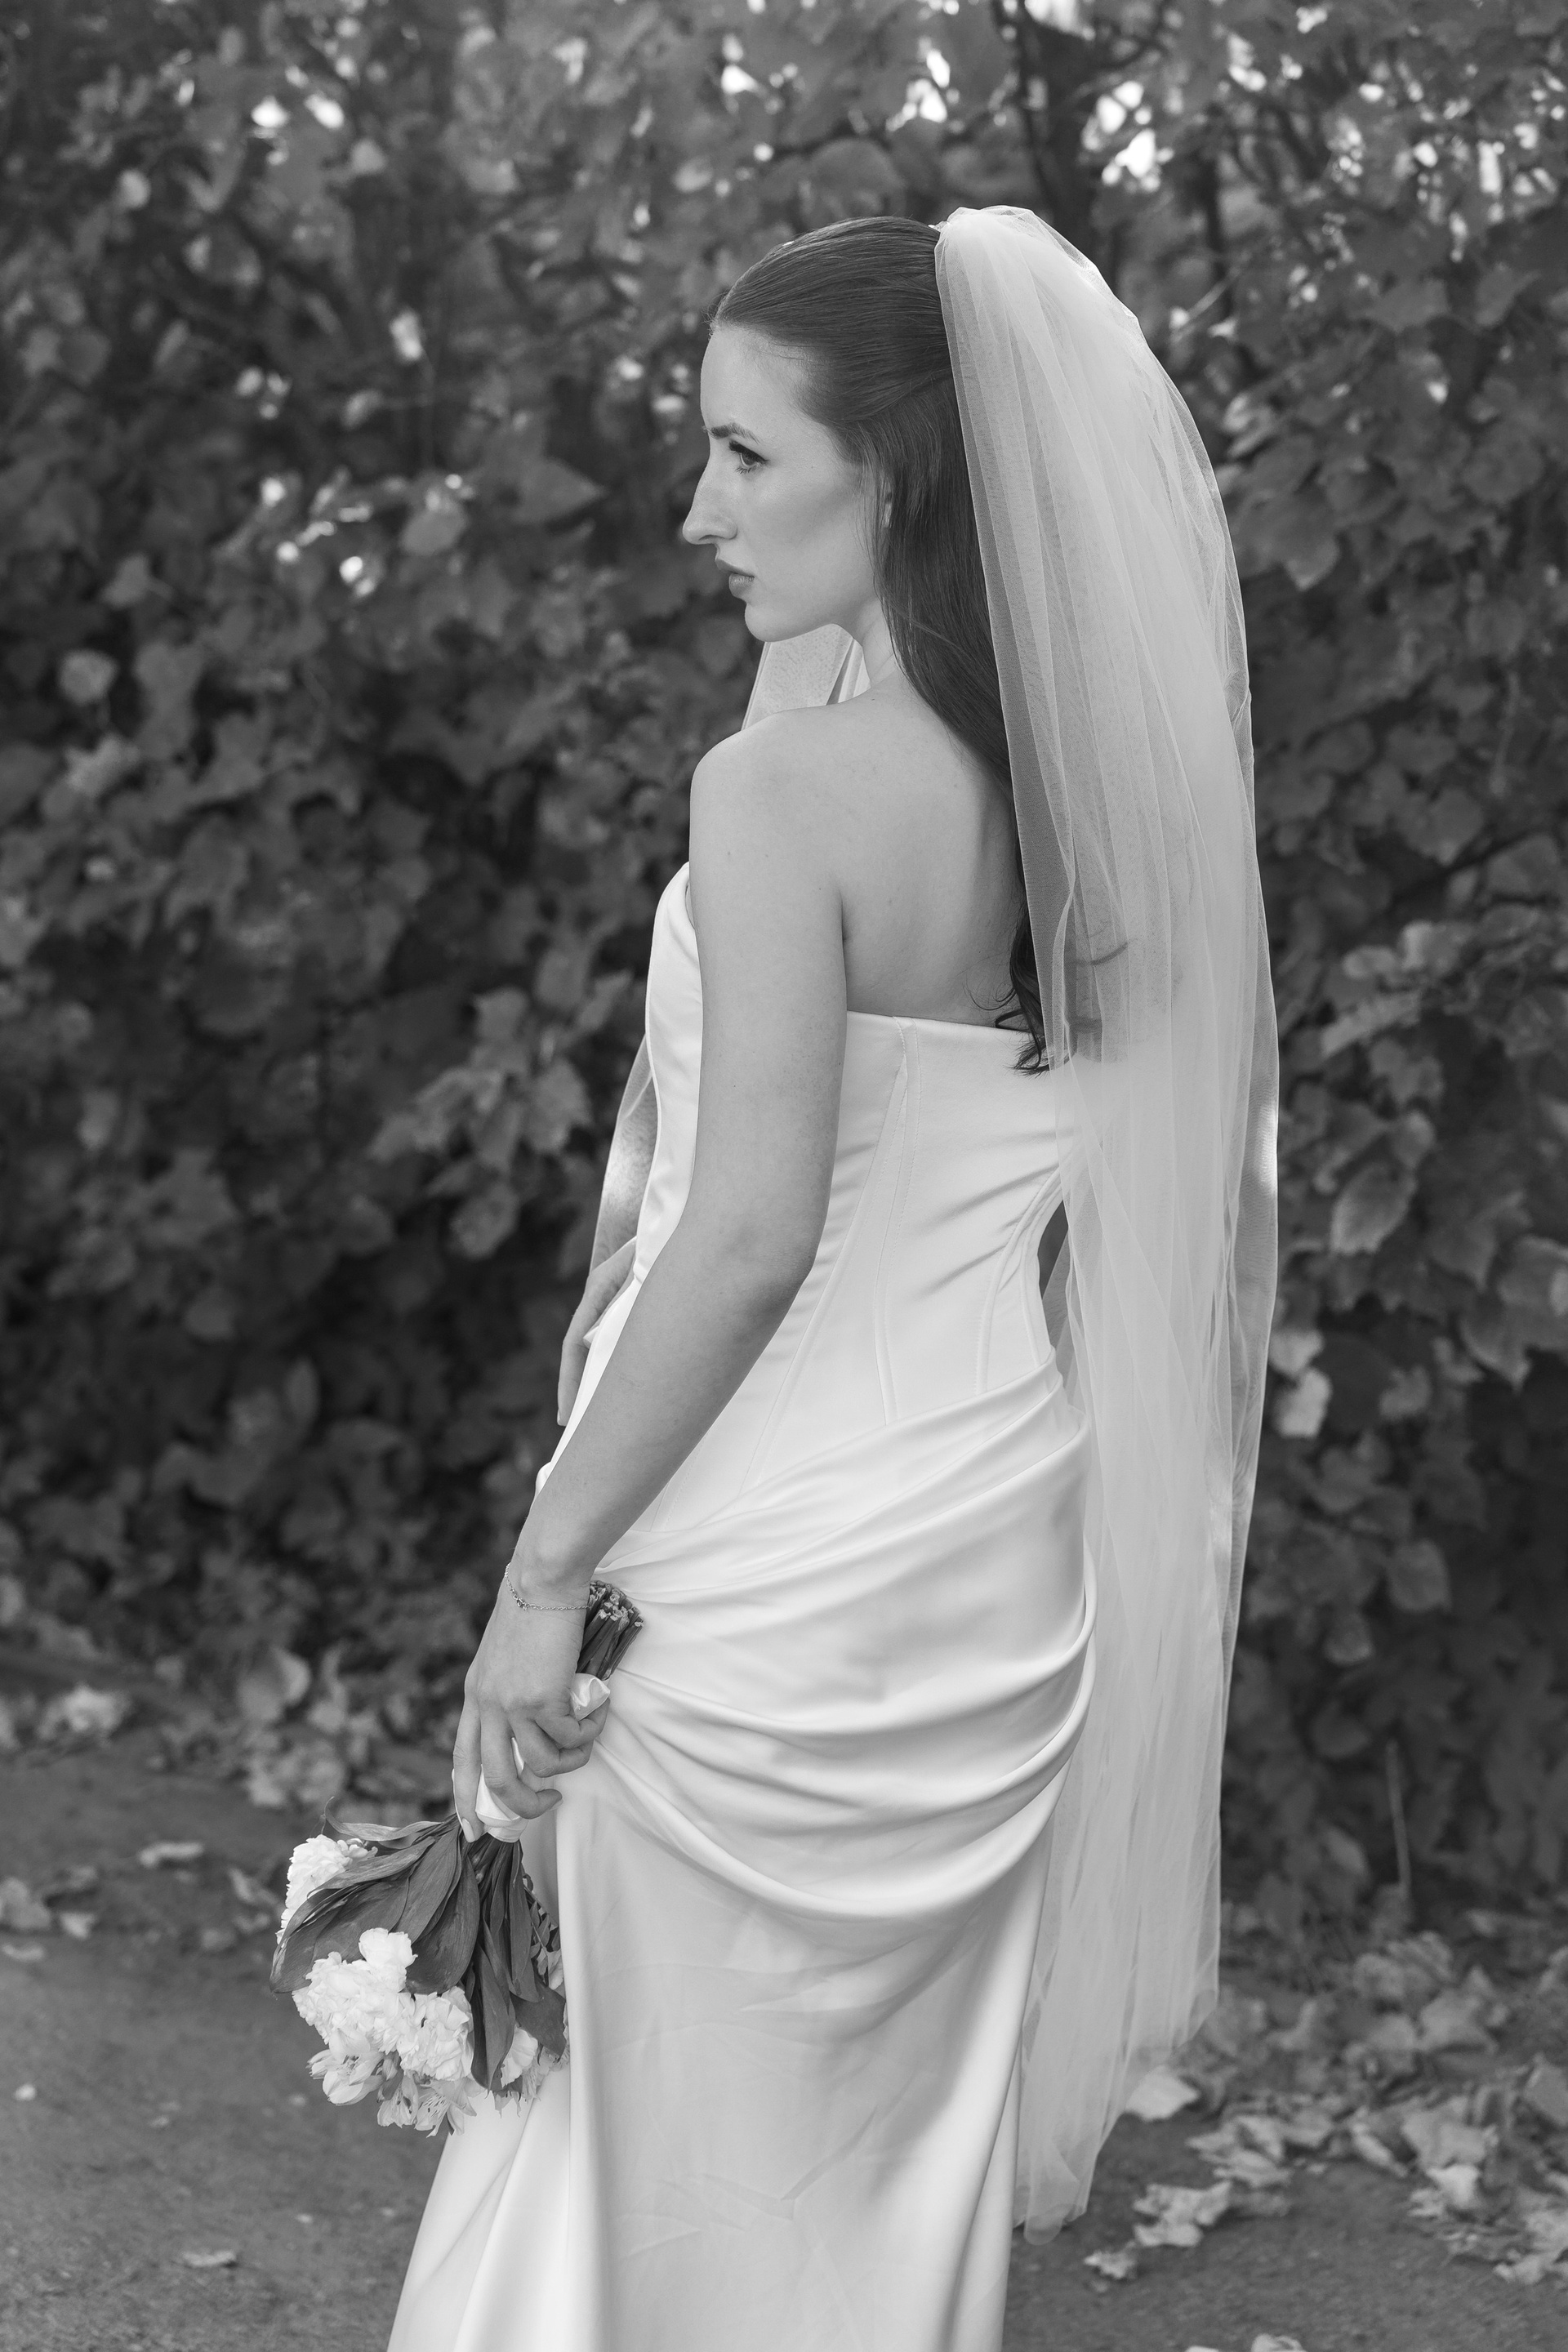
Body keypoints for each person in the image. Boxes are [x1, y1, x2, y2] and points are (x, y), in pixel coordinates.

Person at [388, 205, 1277, 2352]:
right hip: (987, 1562)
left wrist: (542, 1577)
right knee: (877, 2172)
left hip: (763, 1565)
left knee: (634, 2146)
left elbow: (751, 1230)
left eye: (746, 456)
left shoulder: (781, 789)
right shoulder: (1101, 818)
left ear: (897, 475)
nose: (700, 511)